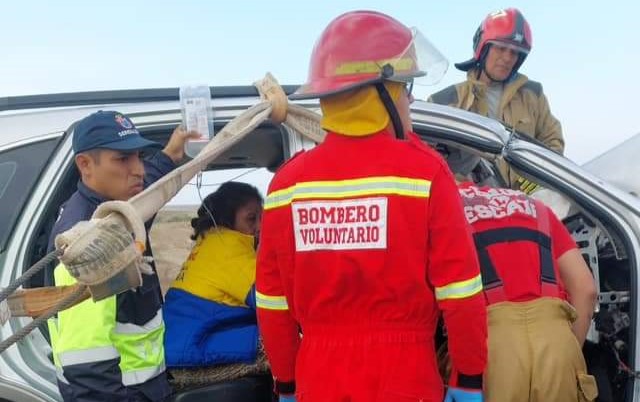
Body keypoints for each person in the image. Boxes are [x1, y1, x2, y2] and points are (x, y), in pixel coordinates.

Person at [256, 11, 487, 402]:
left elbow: (272, 302)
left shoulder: (285, 186)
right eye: (404, 87)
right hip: (405, 377)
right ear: (379, 92)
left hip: (319, 378)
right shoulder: (425, 174)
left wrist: (287, 383)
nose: (409, 99)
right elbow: (462, 293)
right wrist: (468, 379)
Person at [46, 110, 198, 402]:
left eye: (139, 156)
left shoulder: (120, 208)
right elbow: (86, 365)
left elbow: (149, 181)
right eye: (122, 159)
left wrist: (170, 154)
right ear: (85, 165)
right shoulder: (86, 241)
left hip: (145, 388)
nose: (138, 169)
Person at [445, 148, 599, 402]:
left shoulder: (446, 209)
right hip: (556, 344)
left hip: (491, 351)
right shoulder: (534, 206)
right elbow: (586, 289)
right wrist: (567, 351)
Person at [428, 8, 563, 193]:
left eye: (515, 53)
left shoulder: (533, 94)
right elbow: (428, 165)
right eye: (500, 48)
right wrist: (464, 187)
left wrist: (532, 182)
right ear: (483, 49)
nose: (507, 58)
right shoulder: (444, 102)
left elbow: (553, 145)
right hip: (472, 210)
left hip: (526, 206)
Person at [163, 181, 263, 367]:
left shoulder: (211, 241)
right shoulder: (229, 248)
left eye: (262, 218)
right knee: (280, 341)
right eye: (251, 219)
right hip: (195, 342)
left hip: (177, 340)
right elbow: (268, 300)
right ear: (227, 219)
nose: (259, 226)